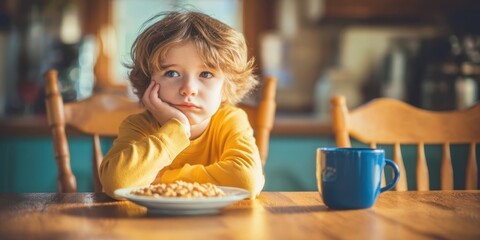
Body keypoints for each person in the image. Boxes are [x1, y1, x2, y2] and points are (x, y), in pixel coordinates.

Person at [99, 11, 265, 199]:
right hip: (147, 225)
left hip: (216, 225)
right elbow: (117, 182)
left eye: (206, 74)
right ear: (148, 81)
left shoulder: (230, 120)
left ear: (227, 86)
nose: (188, 89)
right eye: (171, 73)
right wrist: (177, 128)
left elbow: (246, 181)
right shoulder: (138, 126)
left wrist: (159, 178)